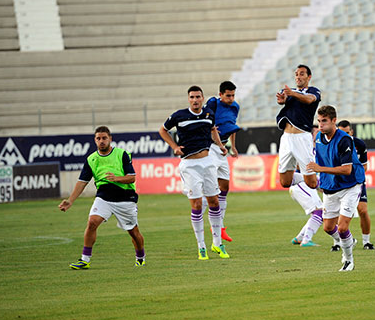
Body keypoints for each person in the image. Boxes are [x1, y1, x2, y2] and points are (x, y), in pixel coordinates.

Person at [159, 86, 230, 260]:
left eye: (198, 97)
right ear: (188, 99)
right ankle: (201, 246)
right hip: (190, 165)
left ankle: (217, 243)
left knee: (214, 201)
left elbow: (213, 129)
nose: (195, 100)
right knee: (197, 205)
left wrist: (220, 145)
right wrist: (174, 147)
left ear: (202, 98)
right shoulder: (179, 116)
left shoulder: (208, 115)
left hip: (208, 162)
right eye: (192, 97)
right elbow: (162, 130)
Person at [59, 126, 145, 269]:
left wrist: (116, 179)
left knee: (134, 233)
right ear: (95, 140)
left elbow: (132, 178)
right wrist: (70, 200)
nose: (101, 141)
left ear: (110, 139)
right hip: (104, 197)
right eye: (98, 138)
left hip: (125, 199)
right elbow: (82, 182)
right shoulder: (91, 159)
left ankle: (140, 256)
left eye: (104, 138)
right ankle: (85, 259)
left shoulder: (122, 154)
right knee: (92, 222)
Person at [306, 106, 365, 271]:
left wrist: (320, 169)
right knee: (328, 228)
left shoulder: (344, 139)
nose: (320, 125)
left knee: (343, 227)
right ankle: (349, 241)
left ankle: (348, 260)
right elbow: (322, 160)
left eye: (324, 121)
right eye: (319, 121)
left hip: (350, 185)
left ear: (334, 121)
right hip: (331, 187)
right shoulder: (318, 137)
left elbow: (347, 170)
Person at [204, 80, 240, 242]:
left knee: (225, 187)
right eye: (228, 95)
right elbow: (205, 120)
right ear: (220, 95)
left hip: (223, 149)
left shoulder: (235, 107)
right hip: (211, 147)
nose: (231, 98)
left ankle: (219, 225)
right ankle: (207, 218)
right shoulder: (213, 103)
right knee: (211, 188)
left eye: (233, 95)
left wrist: (233, 146)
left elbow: (232, 127)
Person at [276, 64, 321, 190]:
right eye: (296, 74)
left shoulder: (313, 91)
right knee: (285, 182)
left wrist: (292, 94)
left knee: (311, 183)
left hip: (302, 137)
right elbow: (282, 100)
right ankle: (316, 181)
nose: (298, 77)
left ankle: (324, 183)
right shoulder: (289, 92)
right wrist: (282, 99)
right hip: (286, 138)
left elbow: (309, 100)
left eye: (302, 74)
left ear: (309, 77)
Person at [338, 120, 374, 250]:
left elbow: (364, 166)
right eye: (342, 132)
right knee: (337, 211)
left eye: (347, 132)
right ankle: (337, 242)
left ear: (351, 132)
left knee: (363, 210)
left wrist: (354, 175)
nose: (345, 135)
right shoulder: (335, 143)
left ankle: (366, 242)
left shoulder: (359, 144)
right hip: (339, 182)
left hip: (357, 182)